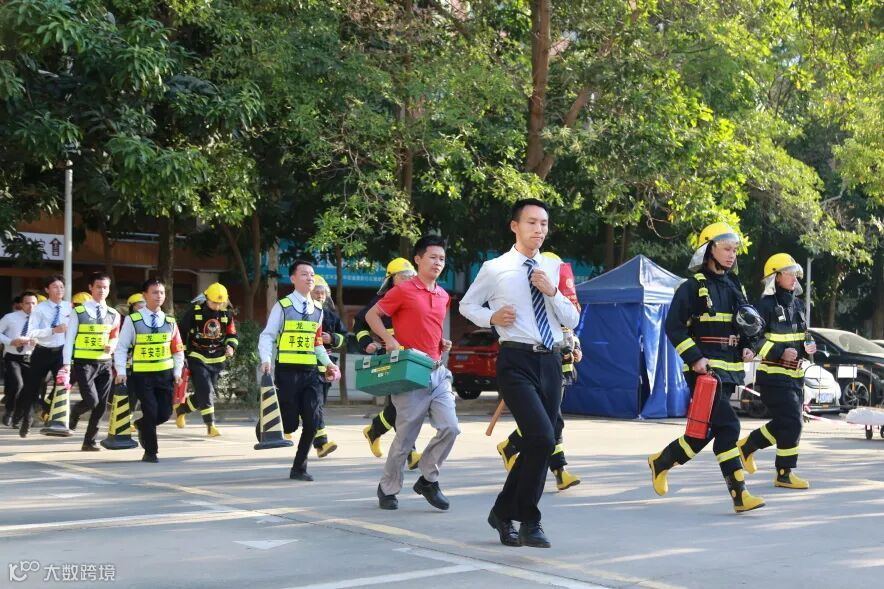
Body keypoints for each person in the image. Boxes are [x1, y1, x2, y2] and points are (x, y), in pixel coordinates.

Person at [460, 198, 580, 548]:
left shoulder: (555, 267)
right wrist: (491, 318)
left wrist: (552, 292)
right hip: (515, 360)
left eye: (544, 223)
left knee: (540, 441)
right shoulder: (495, 267)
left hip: (551, 361)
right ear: (515, 226)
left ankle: (502, 512)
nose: (539, 229)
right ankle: (530, 519)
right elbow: (467, 304)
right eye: (531, 222)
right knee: (542, 437)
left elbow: (572, 318)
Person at [647, 222, 765, 513]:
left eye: (734, 250)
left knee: (705, 433)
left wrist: (748, 346)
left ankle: (661, 461)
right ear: (709, 249)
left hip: (729, 372)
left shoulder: (735, 286)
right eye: (726, 249)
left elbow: (745, 324)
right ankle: (739, 495)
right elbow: (674, 327)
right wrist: (695, 358)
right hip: (704, 373)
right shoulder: (691, 287)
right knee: (730, 426)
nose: (732, 255)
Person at [367, 236, 459, 512]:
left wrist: (441, 342)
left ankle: (428, 479)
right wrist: (389, 339)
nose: (438, 263)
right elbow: (372, 315)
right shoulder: (404, 290)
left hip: (438, 372)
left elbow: (429, 326)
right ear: (418, 259)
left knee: (451, 427)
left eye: (442, 259)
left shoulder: (443, 296)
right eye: (432, 257)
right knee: (405, 439)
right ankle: (387, 488)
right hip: (410, 374)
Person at [737, 254, 815, 490]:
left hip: (796, 377)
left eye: (795, 274)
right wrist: (780, 352)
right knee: (793, 423)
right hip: (773, 376)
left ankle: (747, 447)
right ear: (775, 277)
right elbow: (755, 338)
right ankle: (784, 473)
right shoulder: (764, 305)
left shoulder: (798, 305)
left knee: (786, 422)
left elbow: (804, 335)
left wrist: (809, 346)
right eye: (789, 273)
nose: (794, 278)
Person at [258, 261, 340, 481]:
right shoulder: (283, 306)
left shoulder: (318, 310)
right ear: (293, 278)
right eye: (304, 274)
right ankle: (265, 425)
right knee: (290, 423)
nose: (310, 278)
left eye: (312, 274)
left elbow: (317, 343)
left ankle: (299, 468)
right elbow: (267, 335)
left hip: (311, 373)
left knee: (313, 421)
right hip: (287, 372)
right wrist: (266, 360)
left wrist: (329, 364)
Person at [356, 258, 421, 468]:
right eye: (403, 276)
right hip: (391, 357)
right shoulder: (381, 301)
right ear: (391, 279)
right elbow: (360, 323)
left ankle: (374, 430)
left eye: (411, 276)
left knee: (405, 405)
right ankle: (411, 453)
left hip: (413, 357)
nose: (408, 280)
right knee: (404, 405)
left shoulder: (417, 298)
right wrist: (366, 343)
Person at [113, 279, 185, 463]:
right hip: (142, 375)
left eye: (161, 292)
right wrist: (121, 371)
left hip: (165, 375)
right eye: (154, 292)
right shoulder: (133, 320)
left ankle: (141, 424)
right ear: (145, 295)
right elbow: (121, 347)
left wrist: (177, 372)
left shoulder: (170, 321)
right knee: (151, 411)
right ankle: (151, 452)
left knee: (164, 414)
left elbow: (177, 350)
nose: (159, 296)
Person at [63, 273, 121, 451]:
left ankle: (89, 442)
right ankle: (75, 412)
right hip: (84, 363)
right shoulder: (79, 312)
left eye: (105, 287)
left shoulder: (114, 314)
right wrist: (66, 364)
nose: (102, 290)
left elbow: (115, 336)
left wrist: (112, 346)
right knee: (92, 401)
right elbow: (69, 339)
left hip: (105, 363)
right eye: (98, 287)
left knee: (101, 406)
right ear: (90, 287)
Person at [174, 282, 238, 437]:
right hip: (197, 356)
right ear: (207, 298)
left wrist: (231, 346)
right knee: (206, 390)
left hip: (217, 359)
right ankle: (211, 425)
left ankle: (182, 409)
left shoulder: (227, 315)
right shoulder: (194, 312)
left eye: (220, 303)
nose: (217, 306)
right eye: (214, 302)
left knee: (204, 393)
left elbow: (232, 335)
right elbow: (180, 333)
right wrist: (182, 355)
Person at [13, 275, 73, 437]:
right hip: (42, 352)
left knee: (63, 384)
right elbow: (31, 332)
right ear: (47, 290)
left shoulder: (69, 307)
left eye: (61, 287)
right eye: (55, 287)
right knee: (32, 388)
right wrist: (52, 330)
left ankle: (56, 419)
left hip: (61, 352)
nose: (59, 290)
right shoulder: (40, 309)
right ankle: (26, 420)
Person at [309, 274, 344, 457]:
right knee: (315, 404)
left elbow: (344, 336)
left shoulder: (331, 316)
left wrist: (333, 338)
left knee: (317, 404)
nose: (320, 295)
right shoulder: (303, 313)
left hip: (326, 368)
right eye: (317, 291)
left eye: (323, 292)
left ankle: (319, 444)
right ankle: (321, 443)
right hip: (307, 365)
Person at [0, 291, 38, 426]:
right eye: (27, 303)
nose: (30, 306)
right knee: (17, 384)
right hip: (13, 357)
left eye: (33, 303)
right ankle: (9, 411)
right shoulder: (10, 317)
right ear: (21, 304)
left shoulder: (40, 319)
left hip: (31, 357)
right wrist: (10, 341)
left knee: (29, 389)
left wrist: (37, 341)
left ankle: (18, 417)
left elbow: (47, 335)